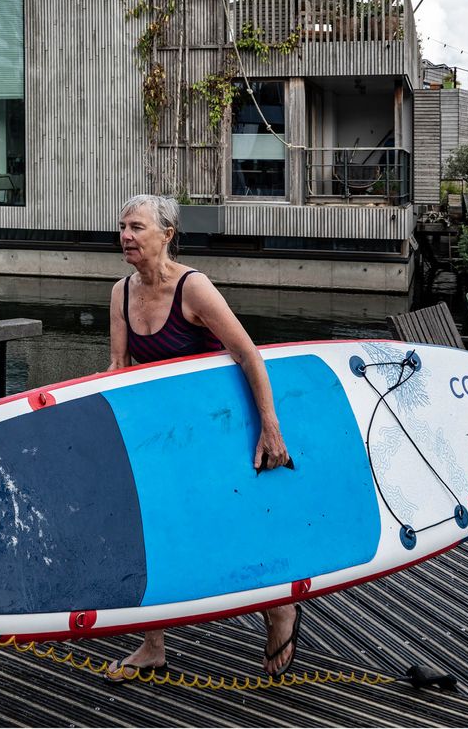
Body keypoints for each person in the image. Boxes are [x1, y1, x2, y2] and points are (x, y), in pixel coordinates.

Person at [104, 193, 301, 683]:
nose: (126, 236)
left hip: (218, 427)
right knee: (151, 530)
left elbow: (249, 355)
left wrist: (270, 426)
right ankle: (153, 645)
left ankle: (278, 610)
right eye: (123, 227)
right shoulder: (119, 293)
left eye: (137, 227)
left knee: (232, 523)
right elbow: (118, 368)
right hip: (160, 433)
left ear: (166, 234)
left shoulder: (194, 287)